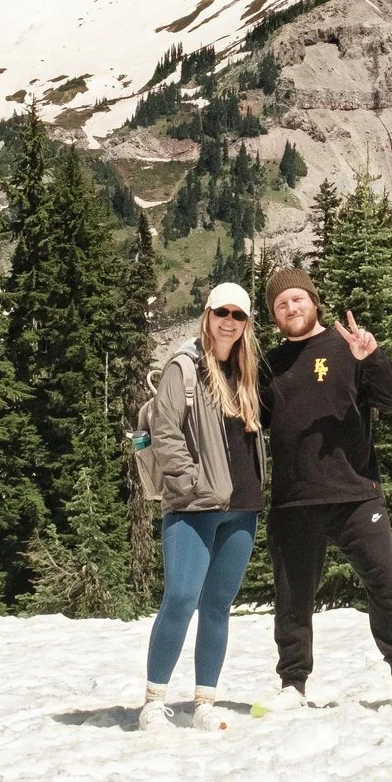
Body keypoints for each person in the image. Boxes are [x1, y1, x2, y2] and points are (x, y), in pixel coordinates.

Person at [254, 265, 392, 711]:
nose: (291, 307)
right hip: (294, 500)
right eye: (280, 304)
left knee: (385, 583)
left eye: (297, 299)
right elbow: (248, 423)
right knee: (292, 598)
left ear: (315, 302)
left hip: (356, 494)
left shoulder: (349, 348)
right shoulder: (268, 366)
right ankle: (293, 685)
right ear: (274, 316)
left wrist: (371, 357)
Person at [136, 280, 265, 731]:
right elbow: (166, 430)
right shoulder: (184, 367)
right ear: (207, 315)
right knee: (181, 598)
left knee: (217, 606)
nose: (228, 322)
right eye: (221, 313)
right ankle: (154, 702)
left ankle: (203, 704)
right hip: (192, 506)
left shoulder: (248, 371)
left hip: (242, 506)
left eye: (238, 315)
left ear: (247, 324)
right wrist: (189, 481)